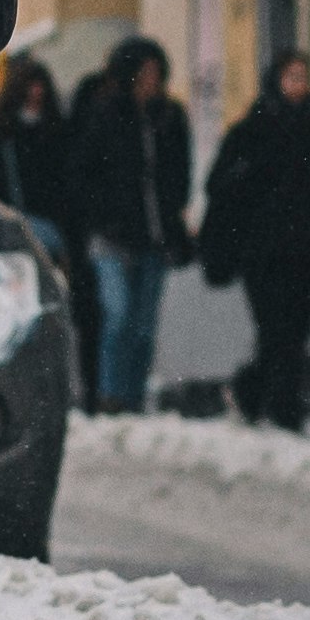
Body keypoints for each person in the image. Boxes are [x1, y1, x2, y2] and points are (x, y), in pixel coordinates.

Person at [196, 51, 310, 427]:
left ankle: (254, 392)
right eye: (292, 77)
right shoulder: (251, 132)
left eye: (304, 76)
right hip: (261, 250)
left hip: (305, 248)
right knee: (274, 327)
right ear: (276, 81)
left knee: (296, 328)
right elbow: (220, 185)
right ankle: (284, 408)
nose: (299, 84)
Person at [52, 38, 192, 414]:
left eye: (156, 73)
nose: (152, 80)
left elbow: (178, 174)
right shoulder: (106, 114)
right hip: (113, 234)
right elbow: (82, 172)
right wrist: (104, 213)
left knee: (143, 325)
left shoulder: (169, 117)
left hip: (154, 233)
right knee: (117, 315)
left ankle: (131, 396)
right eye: (144, 73)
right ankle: (110, 395)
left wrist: (172, 211)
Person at [0, 55, 66, 263]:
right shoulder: (3, 132)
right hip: (22, 215)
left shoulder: (52, 130)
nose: (37, 92)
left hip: (39, 217)